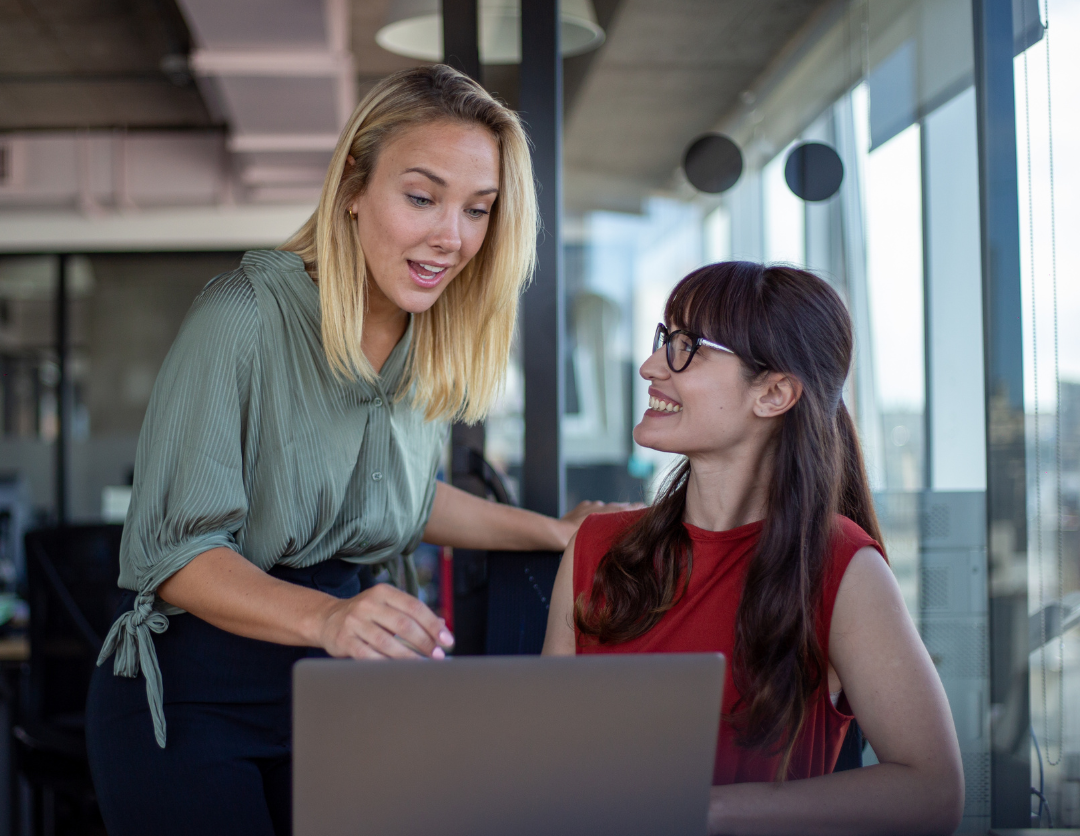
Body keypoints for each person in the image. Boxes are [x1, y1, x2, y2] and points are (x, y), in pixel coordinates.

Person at [86, 64, 630, 836]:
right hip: (192, 694)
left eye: (478, 210)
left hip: (332, 691)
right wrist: (329, 620)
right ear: (352, 186)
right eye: (421, 197)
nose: (452, 236)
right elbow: (175, 555)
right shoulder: (242, 319)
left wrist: (554, 533)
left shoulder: (425, 334)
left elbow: (401, 499)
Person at [543, 262, 964, 835]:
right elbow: (541, 763)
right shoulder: (595, 549)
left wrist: (707, 811)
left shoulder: (841, 565)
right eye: (664, 340)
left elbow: (933, 792)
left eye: (687, 348)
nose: (649, 366)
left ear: (773, 393)